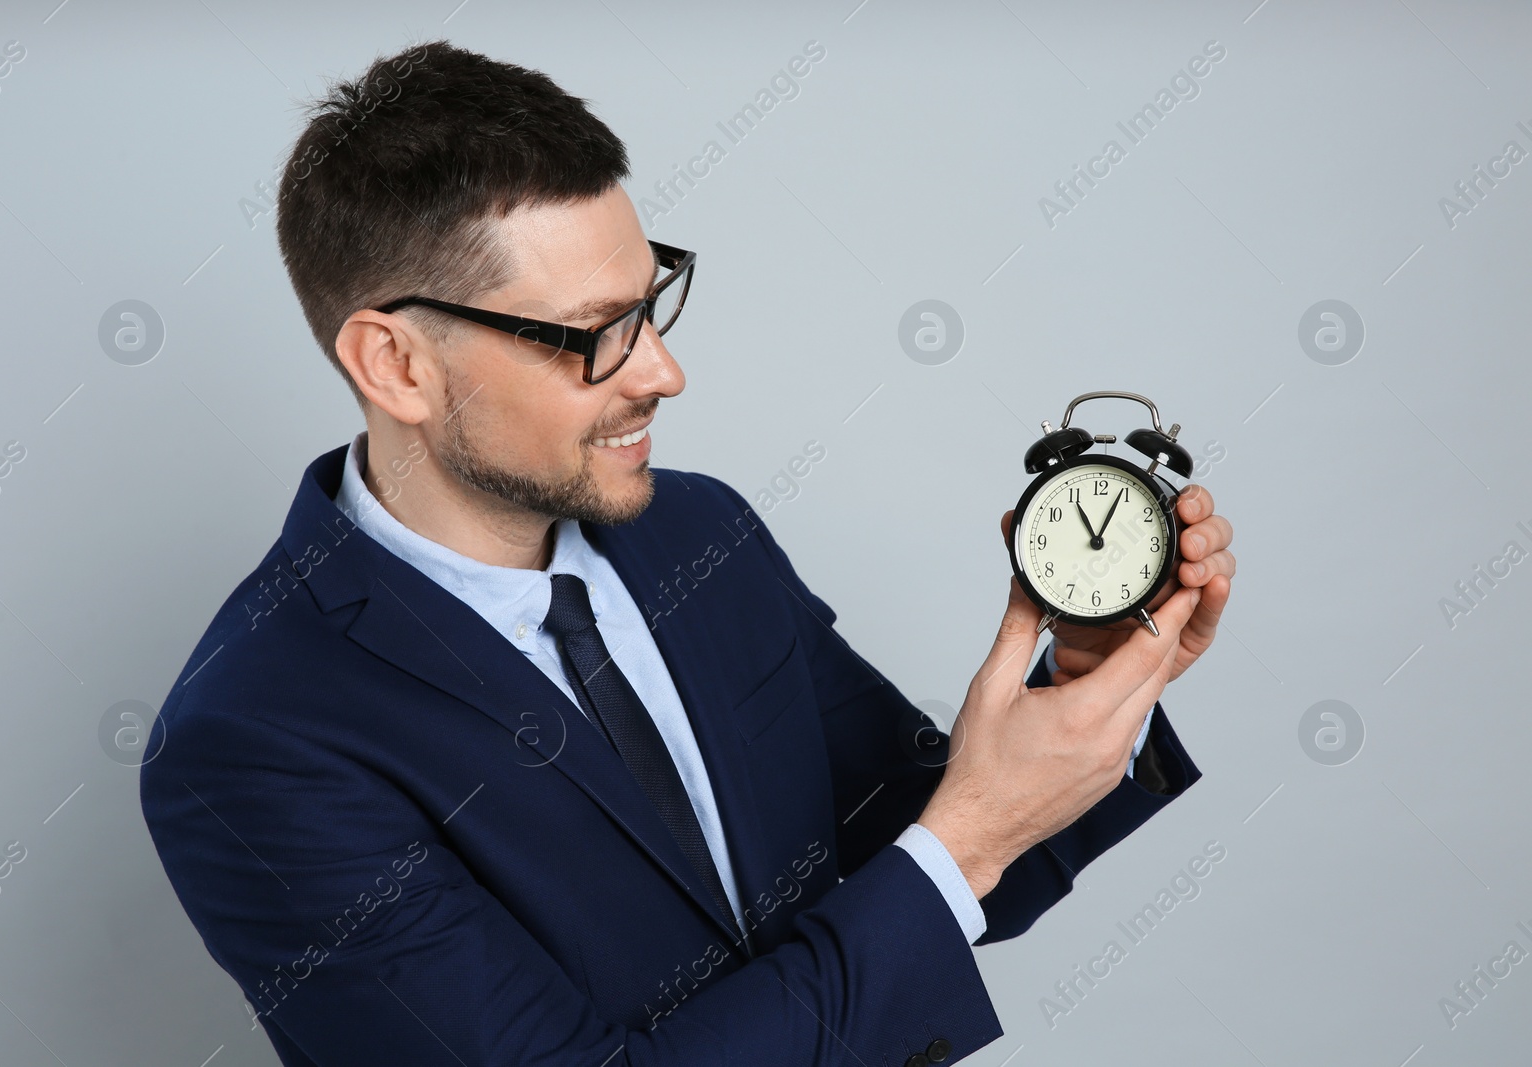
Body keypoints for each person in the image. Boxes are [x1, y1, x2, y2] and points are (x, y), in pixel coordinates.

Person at [140, 40, 1237, 1067]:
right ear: (396, 365)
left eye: (652, 301)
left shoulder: (696, 532)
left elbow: (918, 868)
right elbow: (946, 858)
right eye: (592, 333)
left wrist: (1088, 681)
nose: (661, 372)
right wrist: (963, 837)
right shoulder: (249, 743)